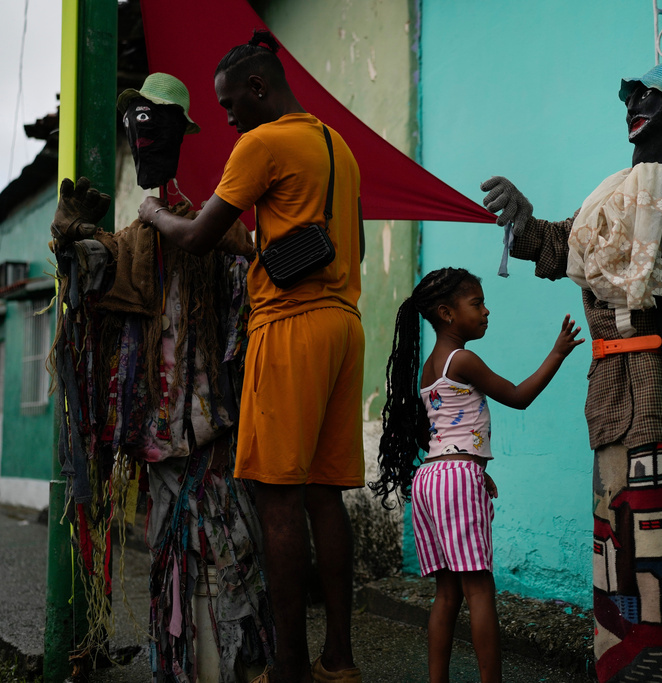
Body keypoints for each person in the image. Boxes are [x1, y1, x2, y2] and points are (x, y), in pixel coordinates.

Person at [479, 62, 662, 682]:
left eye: (651, 97)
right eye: (631, 97)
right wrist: (521, 216)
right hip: (605, 393)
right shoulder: (608, 197)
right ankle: (616, 658)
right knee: (611, 530)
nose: (636, 105)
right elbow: (557, 242)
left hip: (650, 387)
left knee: (650, 529)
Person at [137, 31, 365, 683]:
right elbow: (342, 247)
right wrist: (262, 248)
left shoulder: (261, 143)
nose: (229, 117)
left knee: (276, 500)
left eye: (231, 103)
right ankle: (339, 660)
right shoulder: (336, 145)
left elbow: (196, 236)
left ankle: (289, 666)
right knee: (327, 495)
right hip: (344, 324)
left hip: (289, 329)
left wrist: (154, 214)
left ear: (260, 88)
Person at [49, 72, 268, 681]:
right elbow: (87, 280)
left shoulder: (212, 232)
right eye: (135, 123)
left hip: (215, 435)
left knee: (229, 560)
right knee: (178, 567)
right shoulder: (130, 246)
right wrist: (70, 237)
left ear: (177, 133)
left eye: (153, 123)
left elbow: (248, 294)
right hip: (164, 444)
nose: (142, 135)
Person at [370, 267, 584, 683]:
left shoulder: (430, 367)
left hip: (431, 478)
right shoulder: (463, 359)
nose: (487, 311)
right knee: (480, 590)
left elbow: (449, 430)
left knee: (446, 593)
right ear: (448, 313)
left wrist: (474, 470)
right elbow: (518, 397)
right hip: (455, 477)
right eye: (477, 304)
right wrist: (557, 353)